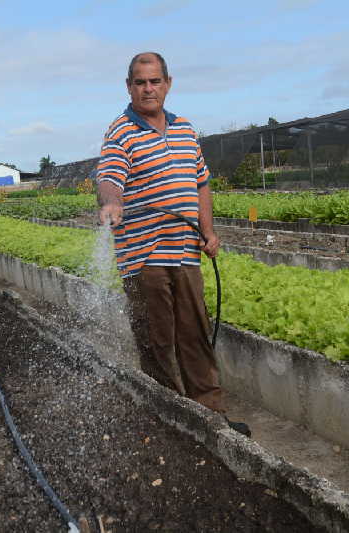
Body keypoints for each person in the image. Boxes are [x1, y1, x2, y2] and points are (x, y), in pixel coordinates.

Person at [96, 52, 250, 437]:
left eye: (154, 81)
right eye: (140, 82)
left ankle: (211, 417)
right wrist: (112, 201)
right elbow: (109, 177)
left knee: (195, 333)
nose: (148, 88)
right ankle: (171, 420)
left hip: (185, 253)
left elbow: (201, 182)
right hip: (144, 256)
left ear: (168, 83)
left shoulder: (184, 129)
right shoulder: (120, 133)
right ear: (128, 87)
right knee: (157, 340)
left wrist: (207, 231)